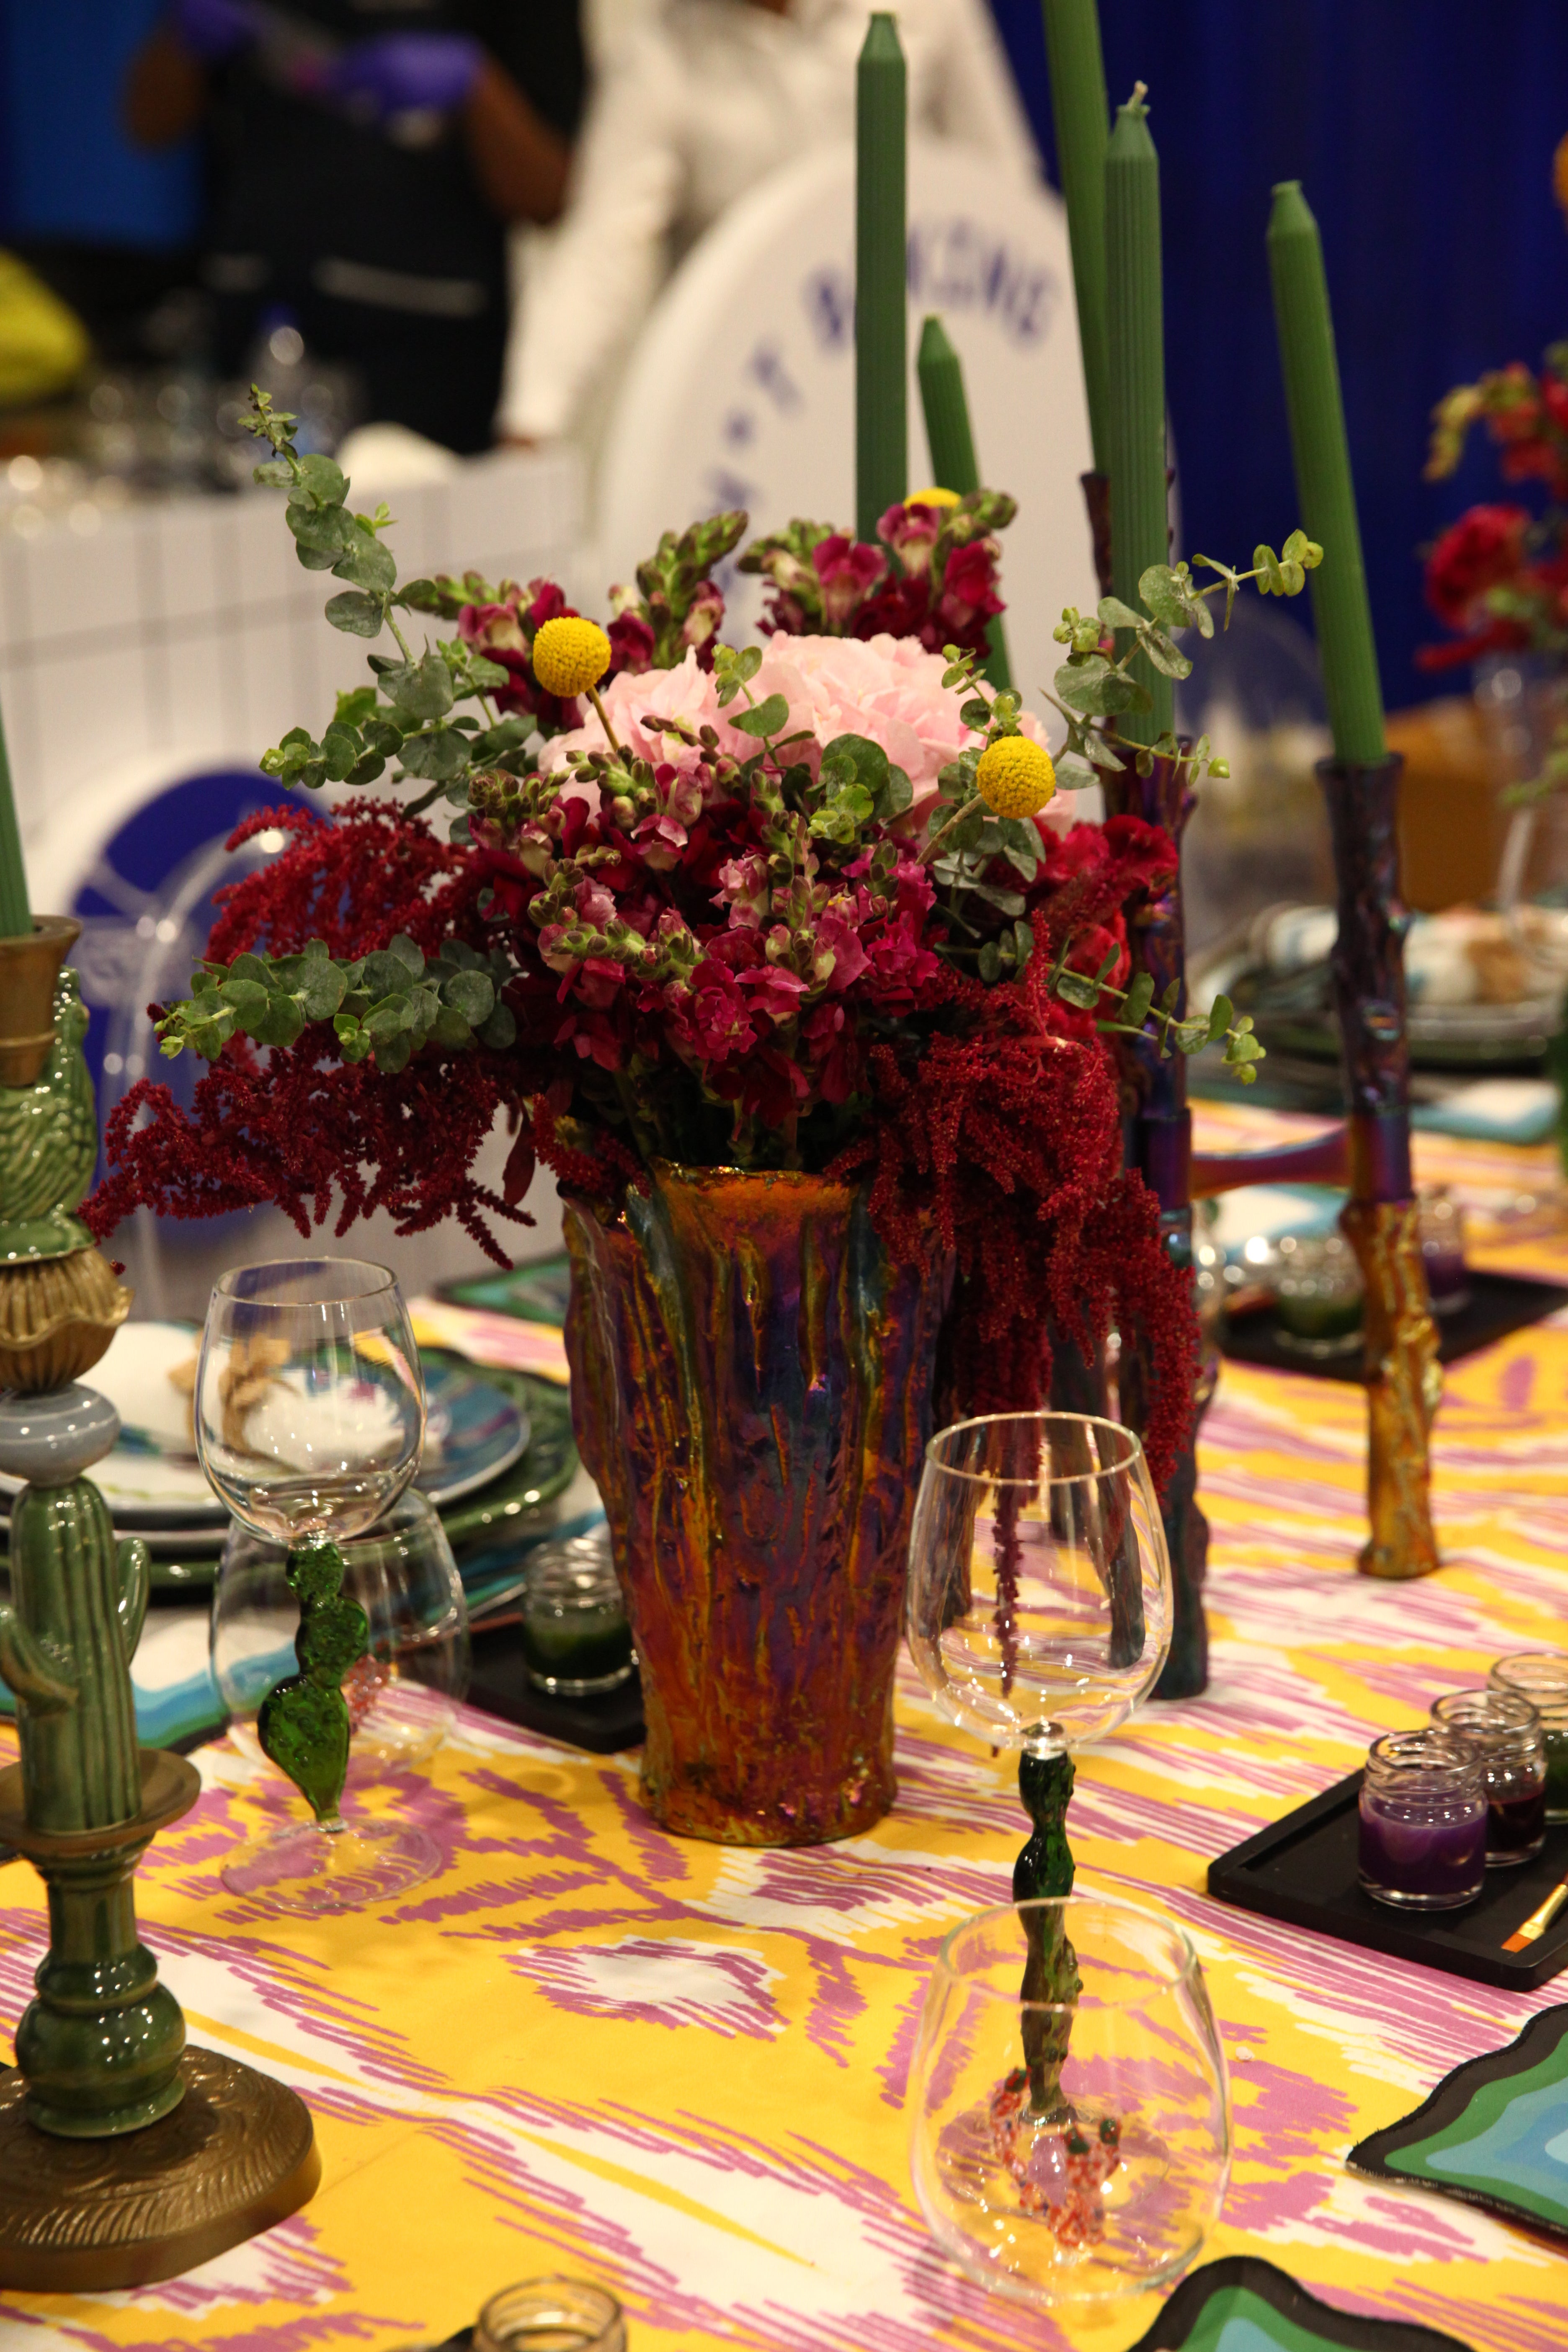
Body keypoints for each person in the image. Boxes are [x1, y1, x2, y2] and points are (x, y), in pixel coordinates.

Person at [498, 0, 1036, 448]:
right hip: (754, 413)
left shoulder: (929, 9)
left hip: (919, 382)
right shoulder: (661, 53)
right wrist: (531, 424)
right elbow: (599, 259)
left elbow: (1005, 191)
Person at [125, 0, 586, 454]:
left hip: (428, 373)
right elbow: (146, 124)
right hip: (251, 346)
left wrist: (476, 86)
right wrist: (183, 39)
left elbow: (550, 196)